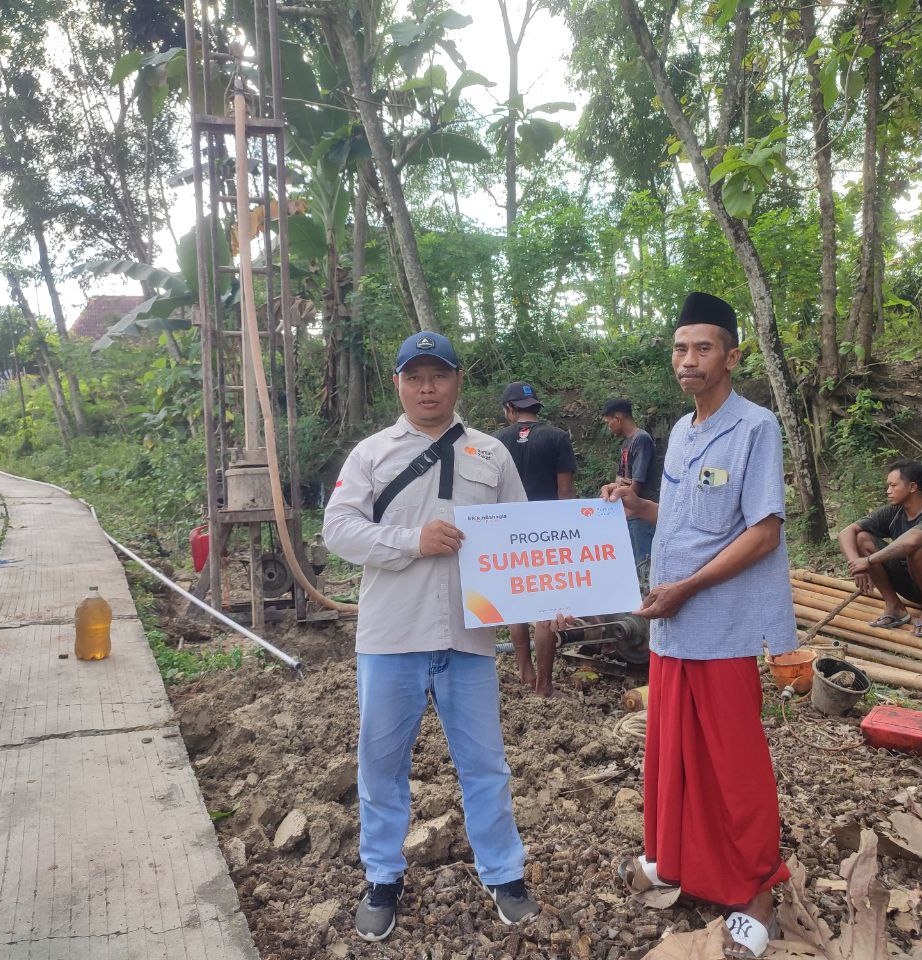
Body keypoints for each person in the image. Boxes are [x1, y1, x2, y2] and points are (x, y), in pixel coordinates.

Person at [579, 292, 795, 959]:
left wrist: (688, 589)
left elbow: (763, 533)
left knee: (735, 763)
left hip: (721, 625)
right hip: (671, 628)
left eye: (703, 348)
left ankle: (757, 887)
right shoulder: (682, 432)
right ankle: (669, 859)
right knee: (671, 754)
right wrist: (635, 503)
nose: (689, 359)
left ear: (731, 356)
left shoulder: (754, 428)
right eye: (679, 347)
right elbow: (674, 518)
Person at [323, 332, 540, 942]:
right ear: (398, 383)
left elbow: (521, 538)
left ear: (457, 381)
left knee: (485, 766)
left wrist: (552, 596)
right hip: (391, 636)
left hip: (469, 640)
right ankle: (382, 876)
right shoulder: (371, 453)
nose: (426, 387)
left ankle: (503, 874)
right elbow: (337, 529)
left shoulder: (491, 454)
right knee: (382, 764)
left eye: (438, 375)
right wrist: (409, 542)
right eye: (414, 376)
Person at [495, 381, 576, 696]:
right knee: (545, 607)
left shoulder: (495, 443)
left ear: (510, 410)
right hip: (547, 530)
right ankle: (544, 684)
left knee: (516, 600)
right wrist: (569, 534)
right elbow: (565, 490)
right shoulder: (557, 437)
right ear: (534, 408)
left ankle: (525, 673)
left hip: (507, 529)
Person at [839, 459, 922, 638]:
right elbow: (847, 532)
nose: (888, 491)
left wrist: (868, 561)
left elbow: (911, 542)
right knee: (862, 538)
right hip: (912, 584)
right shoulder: (893, 512)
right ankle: (895, 606)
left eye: (893, 485)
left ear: (912, 487)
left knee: (918, 548)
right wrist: (856, 565)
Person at [601, 398, 657, 572]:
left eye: (608, 422)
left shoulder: (641, 439)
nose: (608, 426)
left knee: (644, 566)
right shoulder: (627, 443)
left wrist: (623, 503)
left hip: (642, 513)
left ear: (618, 418)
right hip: (630, 513)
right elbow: (624, 478)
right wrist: (613, 487)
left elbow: (637, 482)